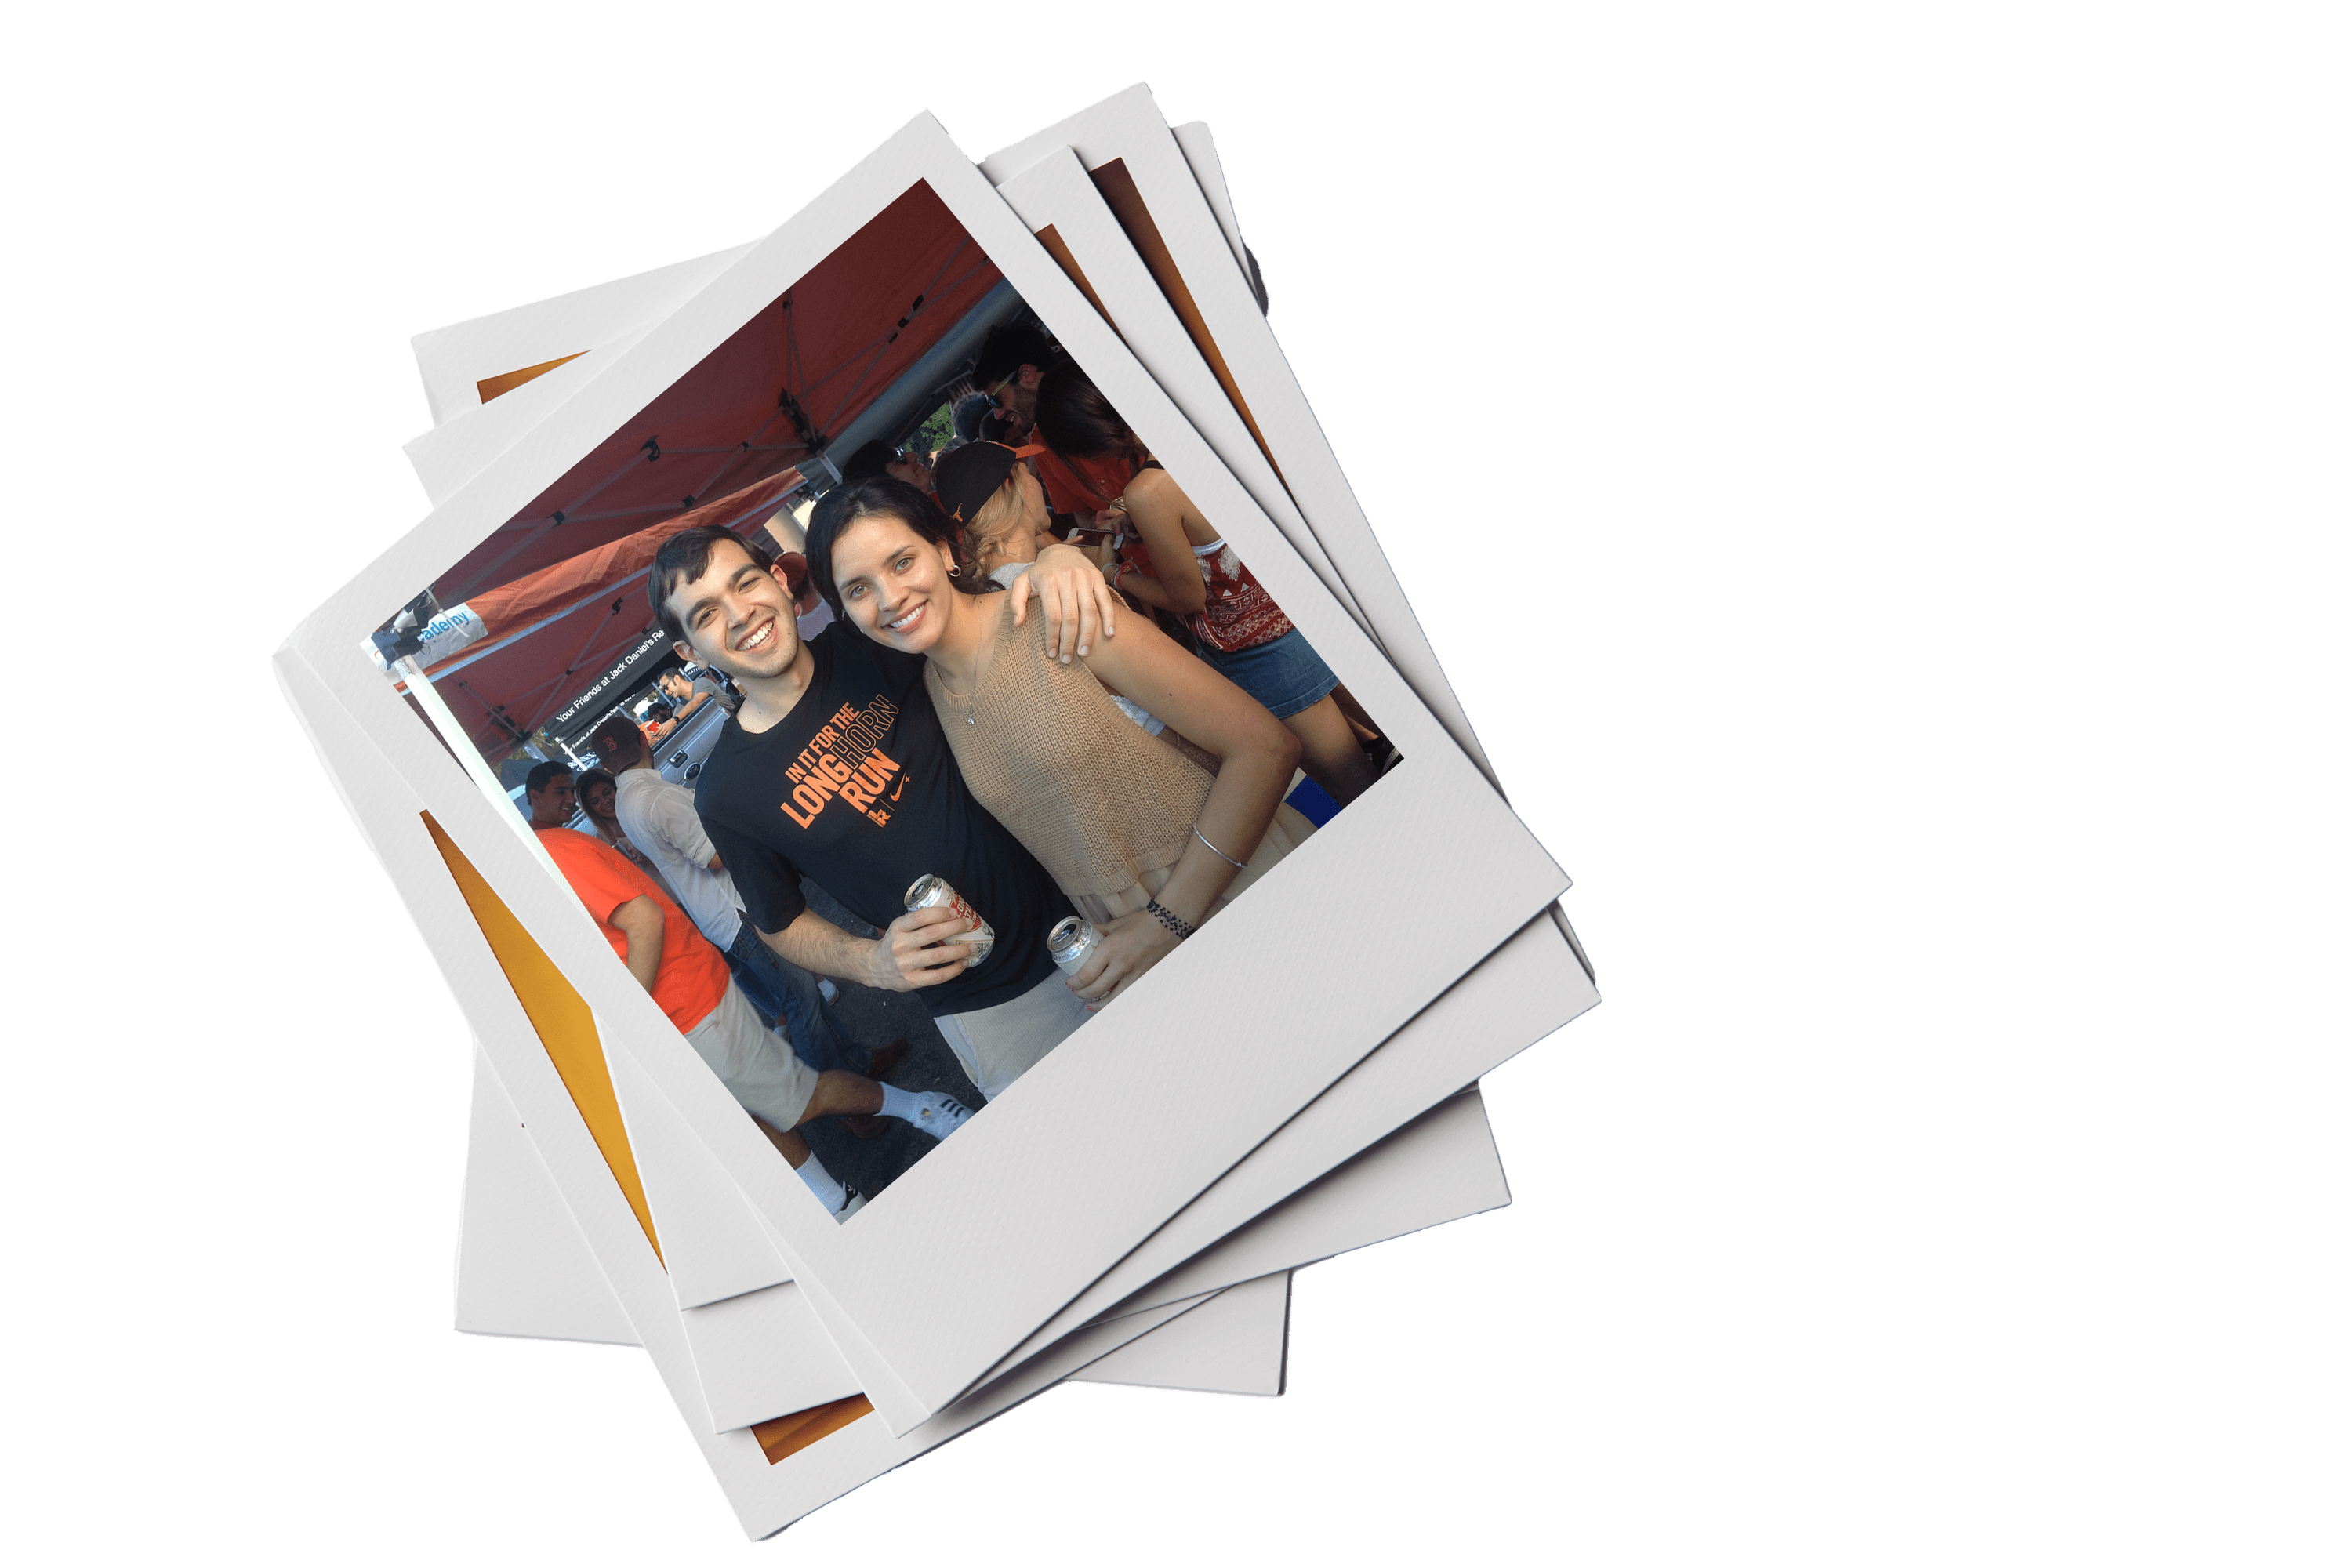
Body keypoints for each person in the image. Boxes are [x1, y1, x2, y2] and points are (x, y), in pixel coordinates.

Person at [649, 521, 1126, 1102]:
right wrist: (871, 962)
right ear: (688, 652)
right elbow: (778, 922)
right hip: (992, 1006)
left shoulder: (875, 638)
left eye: (745, 583)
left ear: (778, 580)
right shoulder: (726, 792)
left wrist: (1049, 563)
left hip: (1099, 902)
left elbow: (976, 613)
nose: (741, 614)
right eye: (706, 614)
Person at [808, 477, 1311, 1007]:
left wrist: (1167, 921)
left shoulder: (1057, 611)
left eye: (902, 562)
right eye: (858, 589)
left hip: (1231, 884)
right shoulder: (929, 692)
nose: (890, 598)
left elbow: (1264, 747)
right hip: (1126, 942)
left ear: (942, 549)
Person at [531, 815, 970, 1219]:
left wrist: (619, 1018)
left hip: (689, 1004)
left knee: (797, 1096)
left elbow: (644, 920)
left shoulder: (548, 853)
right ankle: (837, 1201)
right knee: (751, 1114)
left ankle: (923, 1108)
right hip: (668, 1017)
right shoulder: (535, 861)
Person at [1033, 365, 1379, 808]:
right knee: (1388, 738)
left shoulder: (1147, 490)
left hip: (1262, 645)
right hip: (1306, 602)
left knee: (1353, 783)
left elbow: (1188, 597)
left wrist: (1111, 574)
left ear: (1087, 444)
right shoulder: (1193, 422)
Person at [586, 714, 896, 1085]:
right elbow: (714, 857)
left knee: (802, 998)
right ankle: (848, 1099)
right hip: (737, 910)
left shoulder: (627, 802)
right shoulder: (656, 797)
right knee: (802, 1004)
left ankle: (855, 1066)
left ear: (606, 765)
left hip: (720, 913)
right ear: (644, 739)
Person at [969, 324, 1130, 527]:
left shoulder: (1101, 385)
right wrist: (1103, 524)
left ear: (1027, 375)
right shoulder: (1039, 441)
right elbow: (1082, 515)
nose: (998, 415)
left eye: (997, 400)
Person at [573, 767, 658, 876]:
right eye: (595, 801)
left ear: (616, 787)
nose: (605, 801)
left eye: (607, 792)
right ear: (590, 809)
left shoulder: (645, 811)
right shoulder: (602, 844)